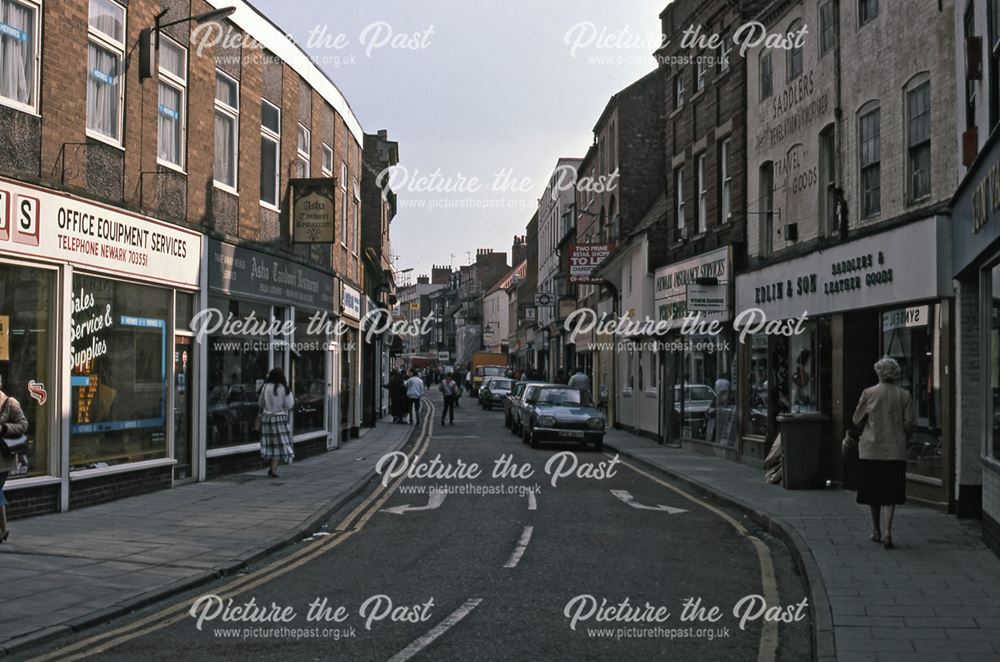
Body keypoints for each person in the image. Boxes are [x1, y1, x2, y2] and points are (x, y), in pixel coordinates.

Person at [852, 357, 914, 550]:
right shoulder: (904, 395)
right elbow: (909, 424)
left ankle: (876, 530)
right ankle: (888, 531)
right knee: (890, 493)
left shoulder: (869, 393)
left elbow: (856, 419)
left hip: (871, 450)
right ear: (895, 373)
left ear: (879, 372)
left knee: (873, 494)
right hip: (895, 451)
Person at [0, 375, 28, 544]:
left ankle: (3, 529)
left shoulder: (10, 403)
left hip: (2, 459)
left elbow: (23, 425)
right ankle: (3, 530)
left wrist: (3, 428)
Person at [259, 368, 295, 478]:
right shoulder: (284, 388)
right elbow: (290, 405)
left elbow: (260, 404)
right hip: (280, 419)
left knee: (269, 443)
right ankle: (273, 470)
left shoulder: (265, 387)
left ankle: (271, 468)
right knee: (279, 445)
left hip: (267, 419)